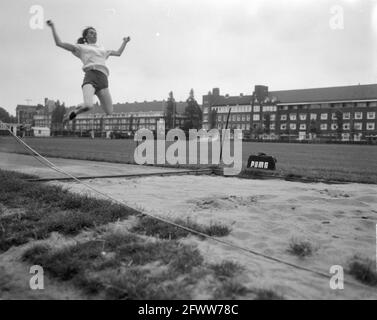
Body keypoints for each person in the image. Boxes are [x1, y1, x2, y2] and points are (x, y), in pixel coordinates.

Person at [46, 20, 131, 122]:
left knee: (109, 111)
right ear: (86, 37)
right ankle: (74, 114)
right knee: (88, 106)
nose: (94, 34)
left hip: (103, 79)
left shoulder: (103, 49)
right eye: (91, 33)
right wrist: (52, 27)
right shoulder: (81, 47)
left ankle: (80, 106)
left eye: (95, 33)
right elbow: (59, 43)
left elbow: (118, 53)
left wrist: (125, 42)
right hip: (91, 75)